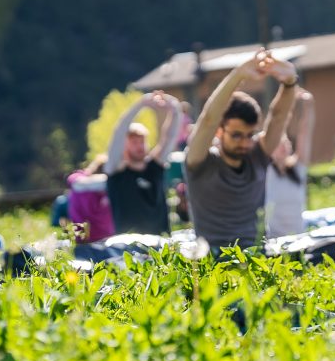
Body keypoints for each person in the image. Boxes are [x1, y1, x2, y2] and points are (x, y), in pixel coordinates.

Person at [184, 50, 298, 250]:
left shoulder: (257, 156)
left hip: (257, 255)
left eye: (249, 135)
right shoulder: (199, 162)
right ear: (220, 131)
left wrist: (289, 83)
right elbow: (208, 120)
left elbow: (278, 117)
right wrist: (238, 75)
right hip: (216, 258)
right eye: (236, 135)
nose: (244, 143)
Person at [105, 91, 182, 236]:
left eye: (142, 142)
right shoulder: (116, 171)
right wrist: (141, 104)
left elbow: (169, 136)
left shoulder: (155, 167)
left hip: (161, 246)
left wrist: (173, 106)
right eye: (134, 142)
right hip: (128, 250)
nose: (140, 146)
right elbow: (119, 132)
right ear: (124, 146)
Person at [265, 88, 315, 237]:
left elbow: (305, 131)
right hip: (273, 241)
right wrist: (285, 102)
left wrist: (308, 105)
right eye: (280, 143)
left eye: (286, 142)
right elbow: (274, 125)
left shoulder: (297, 168)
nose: (285, 145)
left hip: (299, 238)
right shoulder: (266, 171)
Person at [66, 154, 115, 243]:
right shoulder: (79, 178)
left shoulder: (109, 193)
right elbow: (76, 182)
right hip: (83, 238)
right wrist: (112, 181)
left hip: (106, 239)